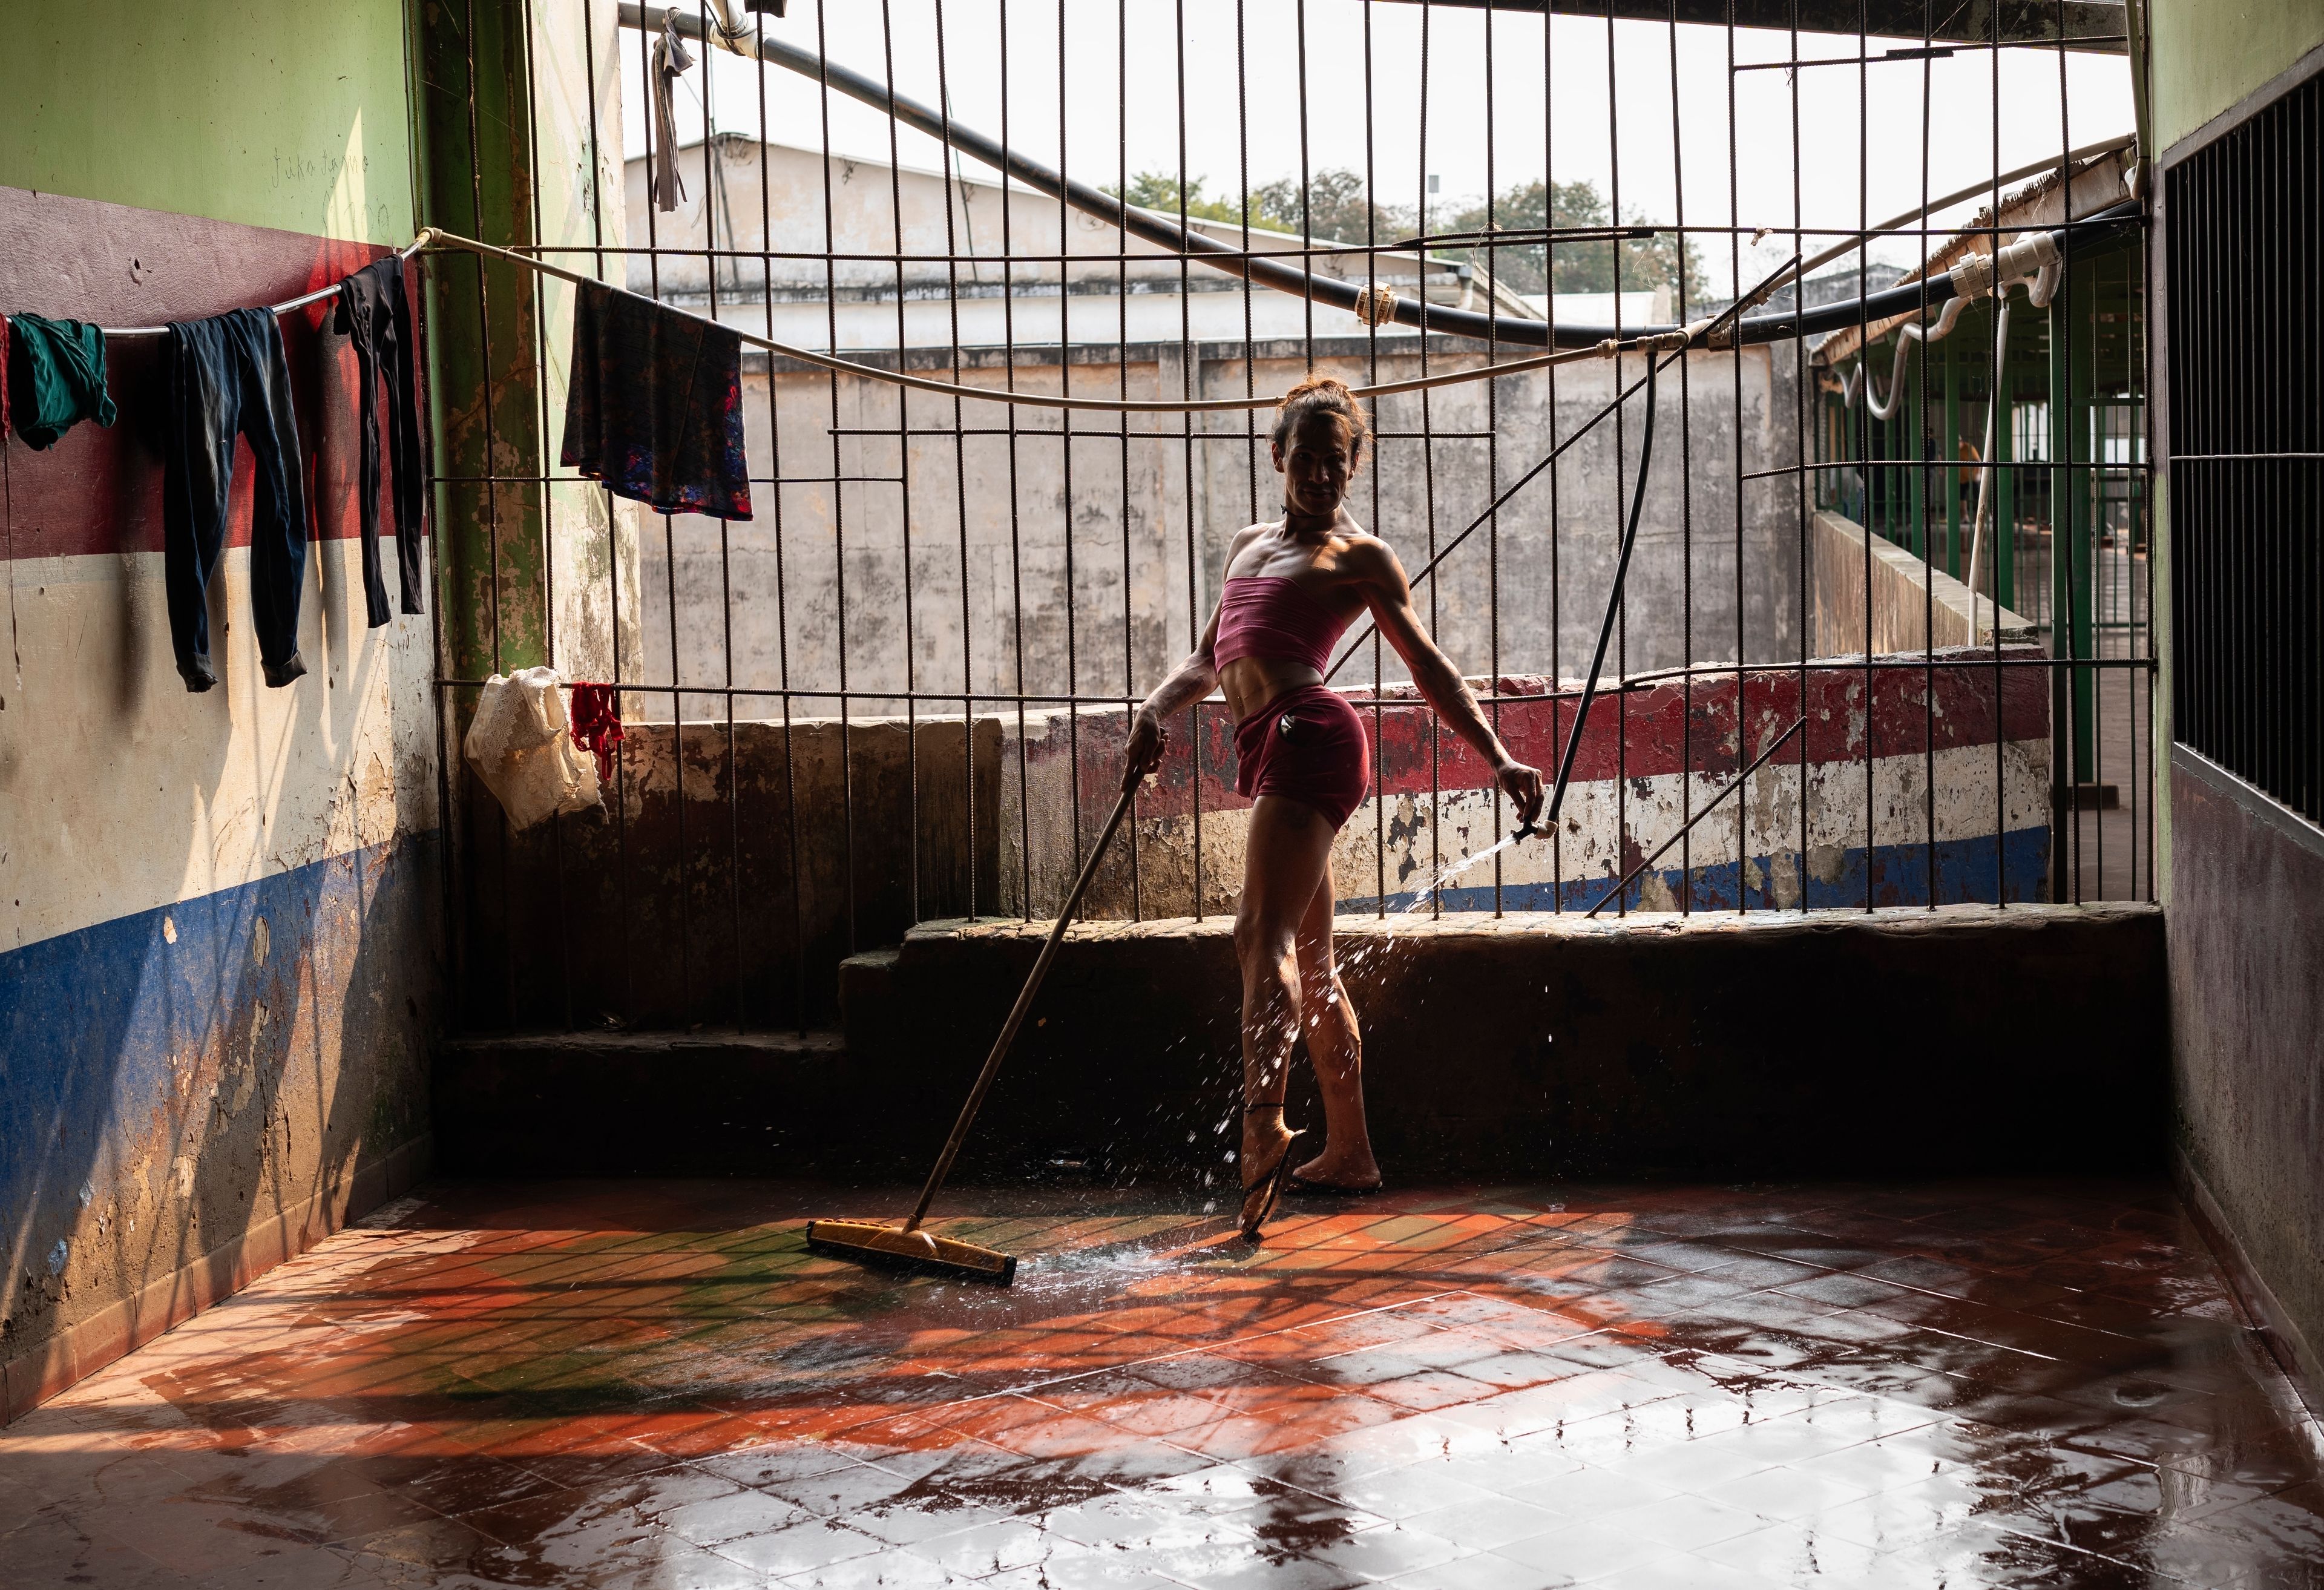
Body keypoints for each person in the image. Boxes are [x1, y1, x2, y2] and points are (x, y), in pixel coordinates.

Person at [1123, 376, 1546, 1238]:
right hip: (1273, 740)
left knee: (1258, 938)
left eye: (1337, 465)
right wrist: (1151, 712)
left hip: (1310, 733)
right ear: (1277, 459)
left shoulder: (1360, 558)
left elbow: (1430, 669)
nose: (1320, 478)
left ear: (1354, 468)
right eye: (1306, 461)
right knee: (1308, 959)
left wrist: (1497, 756)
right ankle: (1350, 1153)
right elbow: (1210, 658)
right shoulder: (1247, 546)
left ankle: (1262, 1128)